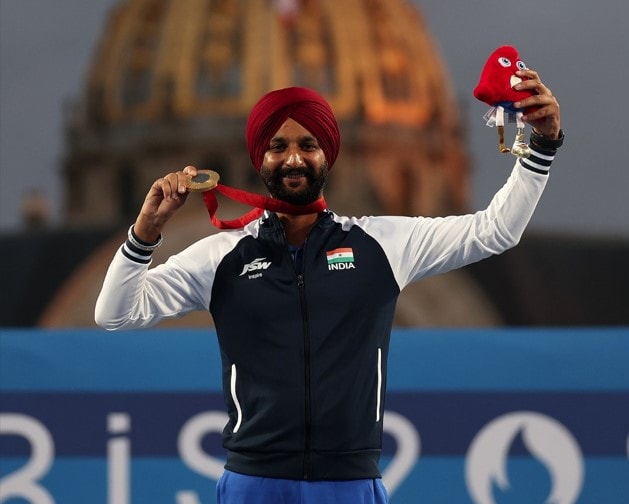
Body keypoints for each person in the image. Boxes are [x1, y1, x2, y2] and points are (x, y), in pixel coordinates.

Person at [95, 70, 562, 503]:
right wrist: (144, 234)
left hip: (349, 483)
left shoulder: (382, 243)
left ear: (328, 155)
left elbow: (496, 230)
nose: (293, 158)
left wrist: (541, 146)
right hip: (253, 483)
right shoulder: (221, 256)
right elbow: (115, 314)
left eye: (308, 144)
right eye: (278, 146)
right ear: (260, 159)